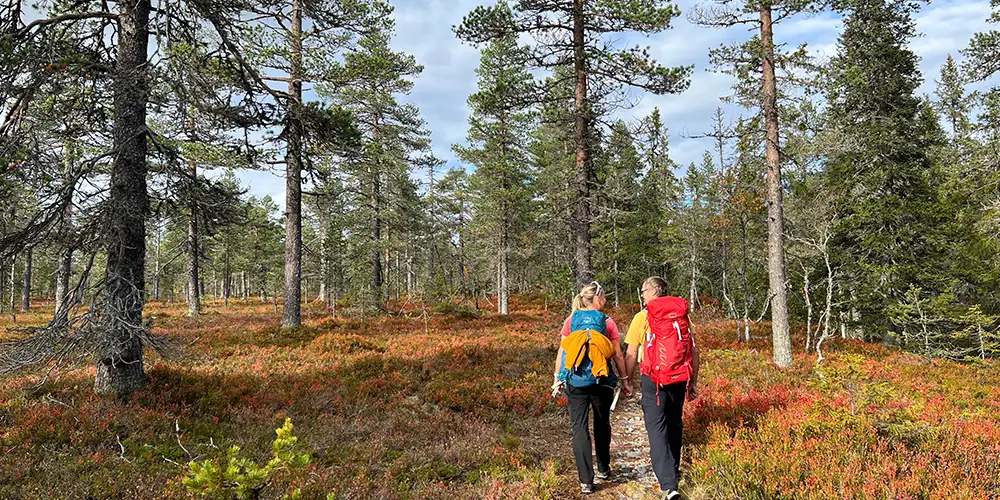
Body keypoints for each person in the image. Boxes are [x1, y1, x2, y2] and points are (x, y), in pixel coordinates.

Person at [551, 281, 633, 494]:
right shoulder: (607, 322)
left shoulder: (571, 320)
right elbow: (617, 354)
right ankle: (604, 469)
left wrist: (557, 378)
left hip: (575, 381)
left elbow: (563, 351)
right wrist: (625, 379)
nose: (605, 301)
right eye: (604, 297)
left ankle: (586, 481)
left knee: (579, 428)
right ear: (598, 299)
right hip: (601, 381)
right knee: (602, 423)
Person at [623, 277, 700, 500]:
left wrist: (627, 379)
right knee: (675, 422)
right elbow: (694, 351)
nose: (642, 295)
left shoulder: (642, 317)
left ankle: (669, 485)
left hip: (653, 380)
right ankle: (673, 470)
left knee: (657, 428)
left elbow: (630, 352)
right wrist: (693, 382)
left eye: (644, 290)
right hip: (678, 378)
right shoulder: (682, 316)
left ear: (655, 291)